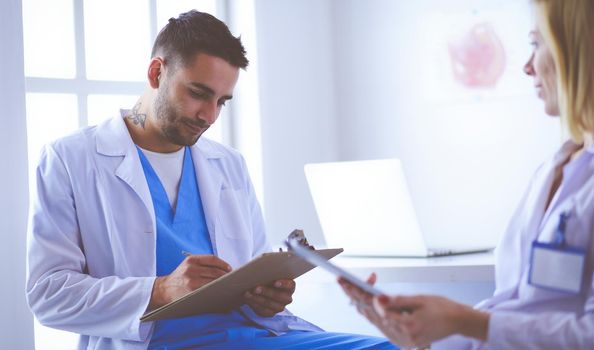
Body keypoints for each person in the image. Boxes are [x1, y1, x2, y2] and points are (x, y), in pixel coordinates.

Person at [25, 10, 395, 350]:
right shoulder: (70, 159)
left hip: (252, 335)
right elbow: (48, 296)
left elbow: (248, 271)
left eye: (222, 101)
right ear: (157, 73)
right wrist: (159, 291)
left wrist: (266, 297)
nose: (209, 115)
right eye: (198, 94)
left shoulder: (228, 165)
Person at [340, 0, 594, 349]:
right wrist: (419, 332)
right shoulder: (556, 167)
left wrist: (463, 320)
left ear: (576, 49)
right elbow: (510, 308)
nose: (526, 67)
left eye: (536, 44)